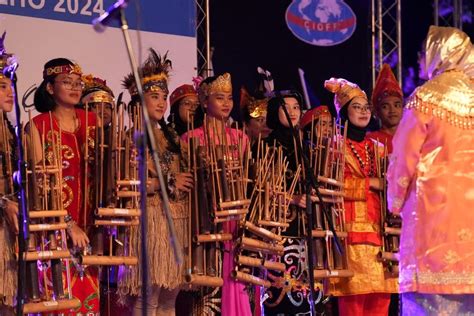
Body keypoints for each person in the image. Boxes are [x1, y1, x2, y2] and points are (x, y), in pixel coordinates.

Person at [387, 25, 474, 315]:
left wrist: (395, 201)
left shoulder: (425, 98)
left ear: (441, 52)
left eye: (425, 51)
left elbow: (403, 157)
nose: (421, 58)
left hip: (432, 222)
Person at [119, 49, 192, 316]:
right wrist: (165, 183)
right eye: (154, 97)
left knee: (169, 298)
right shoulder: (130, 138)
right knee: (148, 298)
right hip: (149, 222)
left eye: (164, 97)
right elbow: (129, 183)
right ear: (139, 100)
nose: (161, 103)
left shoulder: (172, 137)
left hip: (176, 220)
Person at [30, 57, 99, 314]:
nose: (74, 87)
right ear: (50, 88)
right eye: (66, 82)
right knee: (58, 300)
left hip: (93, 228)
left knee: (89, 302)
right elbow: (39, 186)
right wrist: (69, 224)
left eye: (78, 83)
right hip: (55, 230)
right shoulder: (37, 126)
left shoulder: (92, 122)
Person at [324, 77, 398, 316]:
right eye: (357, 107)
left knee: (380, 302)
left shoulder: (377, 147)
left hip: (379, 234)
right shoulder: (333, 146)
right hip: (349, 233)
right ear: (344, 111)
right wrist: (370, 184)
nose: (364, 112)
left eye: (367, 107)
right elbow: (332, 187)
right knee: (353, 302)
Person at [182, 73, 252, 316]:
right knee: (209, 291)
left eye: (229, 98)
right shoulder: (190, 138)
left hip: (235, 220)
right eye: (219, 97)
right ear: (204, 102)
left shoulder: (241, 139)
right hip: (206, 219)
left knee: (237, 277)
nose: (226, 103)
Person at [262, 91, 319, 315]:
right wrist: (293, 198)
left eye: (297, 107)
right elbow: (261, 189)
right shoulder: (265, 146)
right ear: (275, 113)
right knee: (281, 297)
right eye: (286, 107)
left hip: (305, 231)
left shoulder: (305, 147)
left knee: (307, 297)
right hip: (278, 230)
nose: (293, 111)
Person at [0, 31, 17, 316]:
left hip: (9, 228)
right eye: (2, 86)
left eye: (10, 85)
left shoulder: (11, 132)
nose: (10, 92)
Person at [367, 64, 404, 154]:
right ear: (376, 112)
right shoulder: (371, 140)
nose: (392, 110)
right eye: (385, 106)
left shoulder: (413, 137)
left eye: (397, 105)